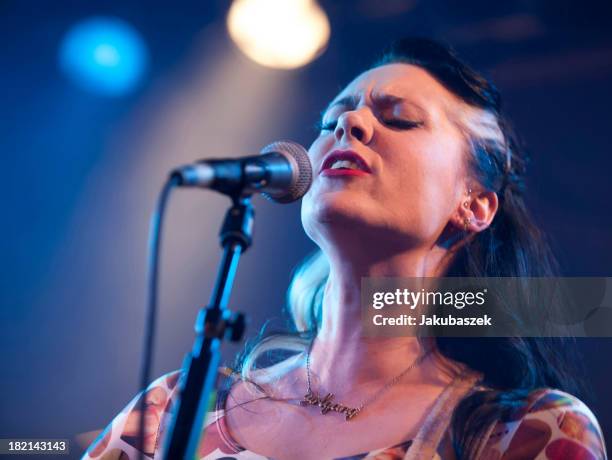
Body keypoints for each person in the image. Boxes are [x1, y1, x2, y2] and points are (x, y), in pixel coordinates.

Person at [83, 38, 607, 460]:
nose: (348, 126)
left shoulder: (525, 435)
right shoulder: (173, 412)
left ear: (474, 205)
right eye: (332, 120)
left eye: (399, 118)